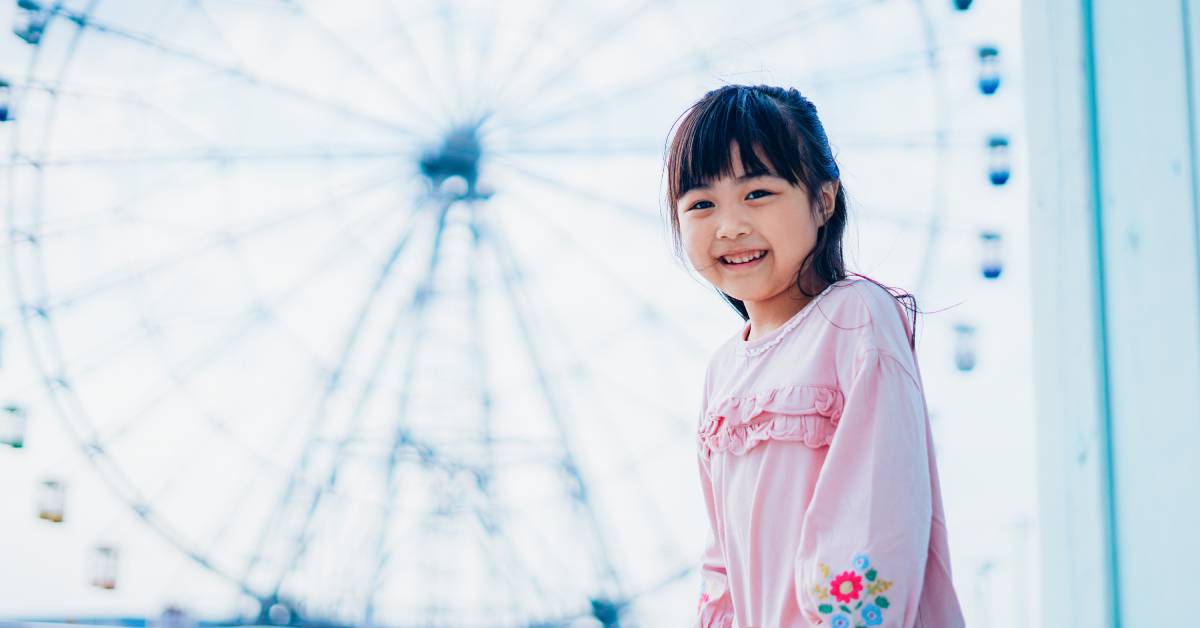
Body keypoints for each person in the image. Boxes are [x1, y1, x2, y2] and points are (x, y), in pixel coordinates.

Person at [664, 84, 965, 628]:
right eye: (701, 204)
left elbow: (872, 520)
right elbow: (722, 569)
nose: (729, 226)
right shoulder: (722, 371)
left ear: (823, 199)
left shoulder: (855, 319)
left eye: (757, 193)